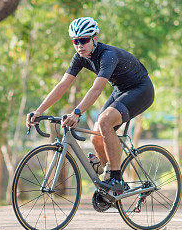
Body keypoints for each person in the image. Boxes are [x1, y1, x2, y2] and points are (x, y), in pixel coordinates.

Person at [26, 17, 154, 193]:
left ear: (95, 38)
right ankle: (109, 180)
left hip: (141, 90)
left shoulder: (107, 55)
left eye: (84, 40)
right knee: (95, 137)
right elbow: (63, 85)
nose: (80, 45)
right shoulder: (79, 57)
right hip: (120, 90)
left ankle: (117, 179)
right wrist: (39, 111)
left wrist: (77, 112)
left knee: (104, 122)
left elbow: (96, 89)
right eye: (75, 41)